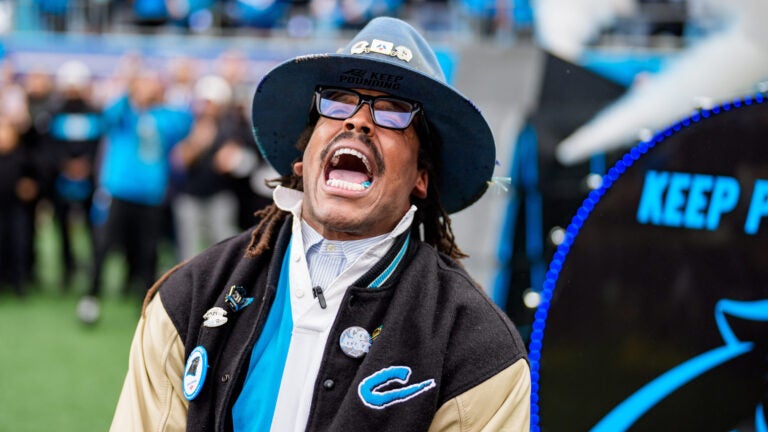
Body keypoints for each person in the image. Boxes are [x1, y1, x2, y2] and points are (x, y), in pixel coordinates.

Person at [111, 16, 531, 431]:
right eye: (338, 102)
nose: (358, 120)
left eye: (393, 112)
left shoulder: (478, 349)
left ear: (421, 178)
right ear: (302, 158)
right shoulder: (190, 298)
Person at [77, 69, 193, 324]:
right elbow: (108, 116)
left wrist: (179, 86)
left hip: (150, 195)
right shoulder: (124, 114)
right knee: (103, 245)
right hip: (118, 191)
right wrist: (130, 90)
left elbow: (185, 123)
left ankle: (145, 303)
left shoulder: (165, 117)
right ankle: (91, 297)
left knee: (147, 250)